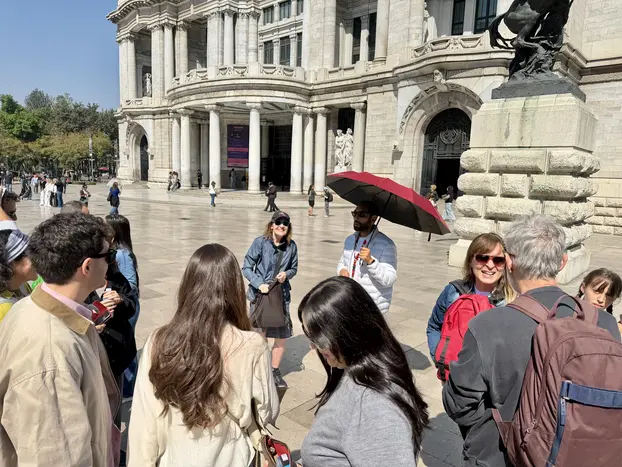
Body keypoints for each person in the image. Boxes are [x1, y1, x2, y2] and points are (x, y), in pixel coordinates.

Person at [443, 215, 621, 467]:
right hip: (580, 456)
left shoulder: (487, 325)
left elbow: (459, 405)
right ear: (562, 262)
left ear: (509, 262)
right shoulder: (605, 323)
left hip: (500, 456)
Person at [128, 244, 279, 467]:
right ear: (235, 289)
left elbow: (145, 425)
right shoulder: (252, 345)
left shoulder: (158, 342)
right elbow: (267, 411)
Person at [0, 213, 121, 466]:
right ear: (87, 267)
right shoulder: (50, 353)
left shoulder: (29, 306)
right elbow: (56, 456)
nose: (112, 262)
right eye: (108, 255)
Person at [300, 276, 429, 467]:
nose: (312, 346)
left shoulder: (374, 408)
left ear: (346, 332)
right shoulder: (358, 370)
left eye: (317, 338)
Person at [426, 232, 514, 358]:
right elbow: (434, 327)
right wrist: (438, 357)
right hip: (453, 368)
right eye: (482, 258)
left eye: (498, 260)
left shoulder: (512, 300)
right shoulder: (453, 292)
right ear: (470, 261)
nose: (490, 265)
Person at [242, 211, 298, 389]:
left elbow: (294, 268)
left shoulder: (291, 246)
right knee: (259, 335)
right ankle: (259, 369)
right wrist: (259, 283)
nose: (282, 225)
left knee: (281, 337)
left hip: (281, 296)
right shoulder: (260, 243)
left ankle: (274, 371)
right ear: (272, 225)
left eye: (285, 223)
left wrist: (286, 274)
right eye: (278, 222)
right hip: (260, 295)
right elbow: (247, 267)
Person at [337, 202, 397, 313]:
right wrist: (342, 270)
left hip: (371, 308)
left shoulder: (386, 244)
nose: (356, 218)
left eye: (361, 214)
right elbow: (342, 262)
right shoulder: (350, 240)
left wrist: (371, 262)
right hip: (350, 302)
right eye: (354, 213)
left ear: (373, 218)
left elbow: (389, 279)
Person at [106, 214, 140, 396]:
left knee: (126, 346)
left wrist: (118, 294)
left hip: (126, 304)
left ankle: (129, 388)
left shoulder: (122, 254)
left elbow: (131, 283)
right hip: (120, 303)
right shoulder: (116, 252)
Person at [0, 229, 37, 323]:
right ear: (11, 264)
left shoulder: (21, 285)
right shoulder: (4, 309)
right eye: (31, 254)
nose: (38, 259)